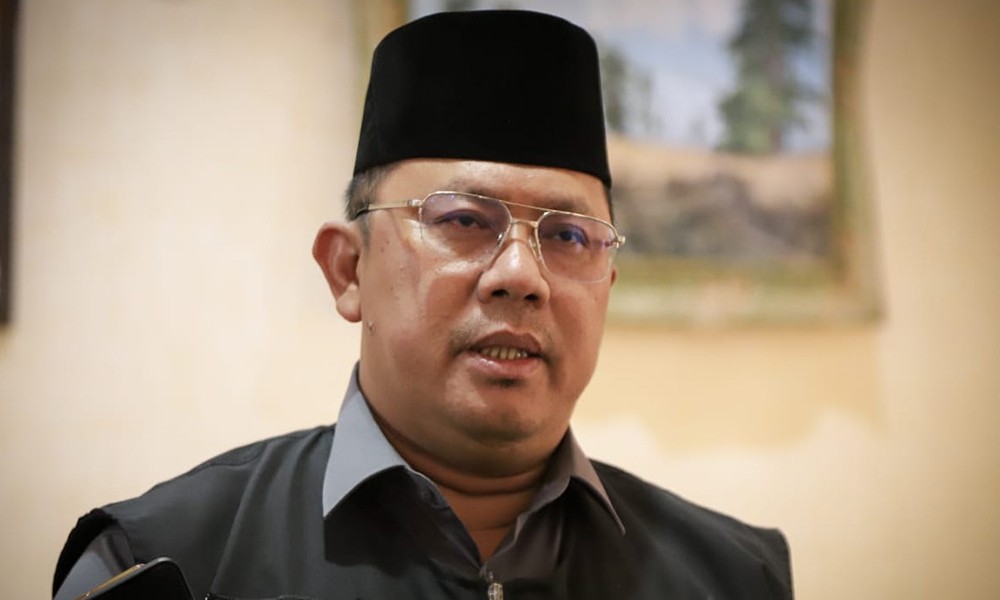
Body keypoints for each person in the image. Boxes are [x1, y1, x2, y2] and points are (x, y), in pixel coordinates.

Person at [53, 10, 793, 600]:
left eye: (568, 236)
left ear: (608, 285)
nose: (521, 276)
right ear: (349, 270)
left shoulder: (731, 577)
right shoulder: (166, 565)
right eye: (464, 220)